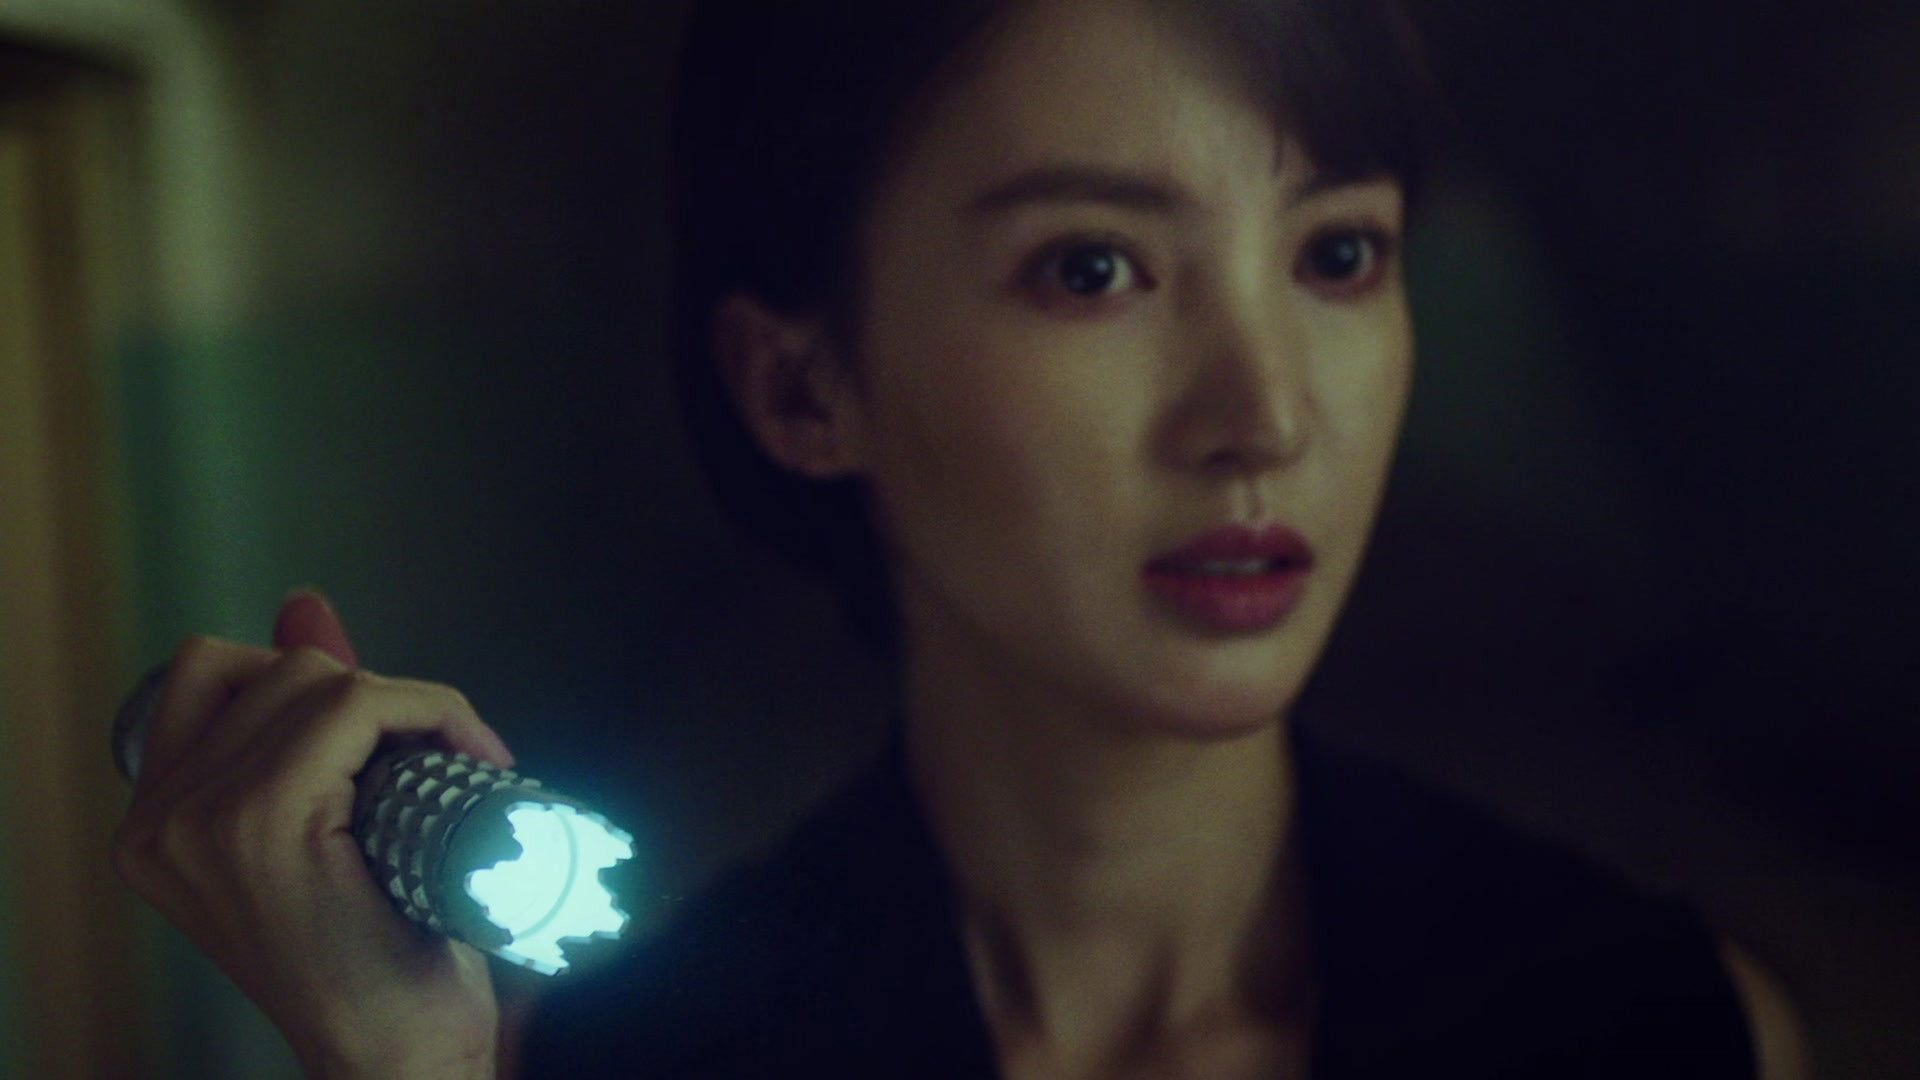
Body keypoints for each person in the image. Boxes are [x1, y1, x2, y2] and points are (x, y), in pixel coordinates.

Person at [111, 0, 1812, 1077]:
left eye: (1339, 256)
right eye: (1093, 268)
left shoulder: (1658, 1024)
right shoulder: (636, 1056)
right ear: (804, 386)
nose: (1267, 415)